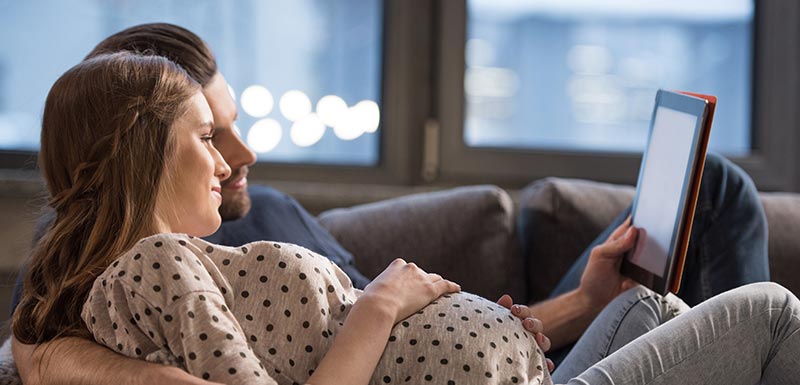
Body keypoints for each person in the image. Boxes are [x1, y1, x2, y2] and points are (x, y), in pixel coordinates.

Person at [9, 23, 769, 384]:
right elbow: (32, 344)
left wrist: (576, 303)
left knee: (706, 220)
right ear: (144, 150)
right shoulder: (135, 267)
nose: (238, 156)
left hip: (503, 349)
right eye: (209, 134)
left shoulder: (258, 217)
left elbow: (402, 326)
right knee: (760, 303)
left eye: (230, 131)